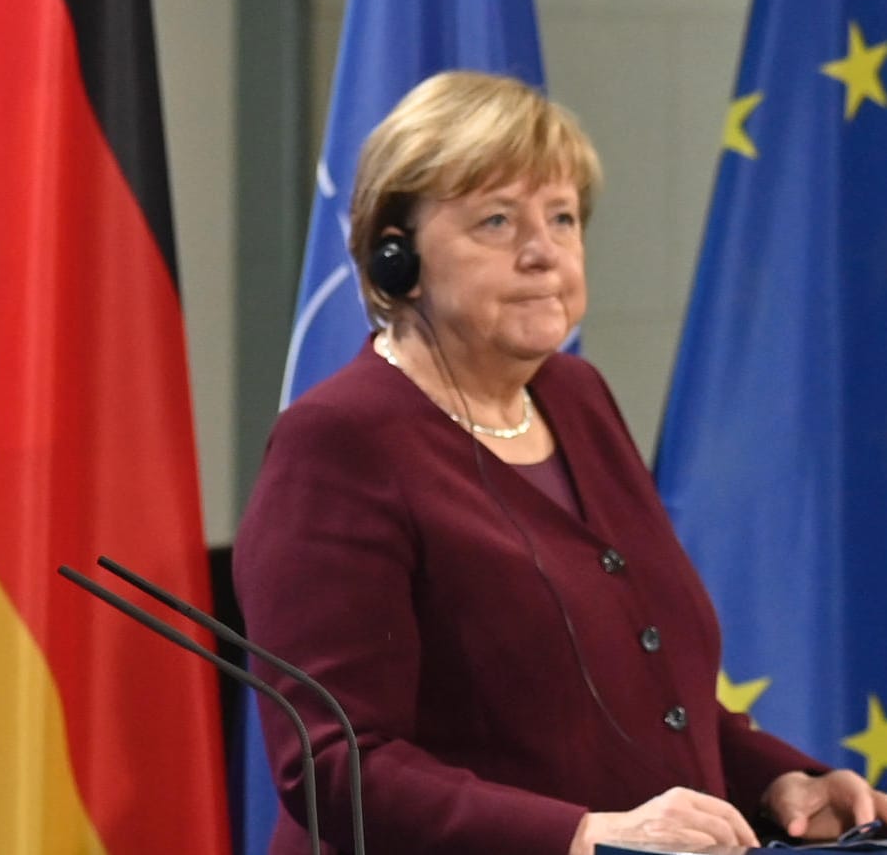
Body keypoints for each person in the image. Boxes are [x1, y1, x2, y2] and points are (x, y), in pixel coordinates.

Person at [234, 71, 887, 855]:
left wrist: (783, 782)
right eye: (498, 221)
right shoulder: (338, 442)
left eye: (564, 217)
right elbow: (333, 764)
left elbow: (654, 696)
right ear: (395, 257)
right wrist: (580, 834)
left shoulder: (577, 396)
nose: (544, 252)